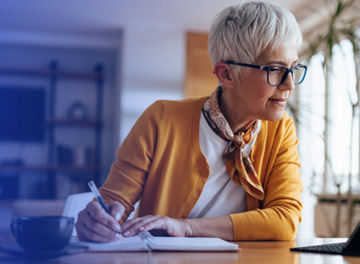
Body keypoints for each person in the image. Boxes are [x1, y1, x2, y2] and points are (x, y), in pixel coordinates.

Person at [75, 0, 307, 242]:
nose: (289, 84)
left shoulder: (281, 130)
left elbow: (285, 219)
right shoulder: (161, 119)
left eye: (293, 68)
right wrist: (97, 221)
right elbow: (113, 205)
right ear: (226, 74)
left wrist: (186, 228)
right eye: (275, 70)